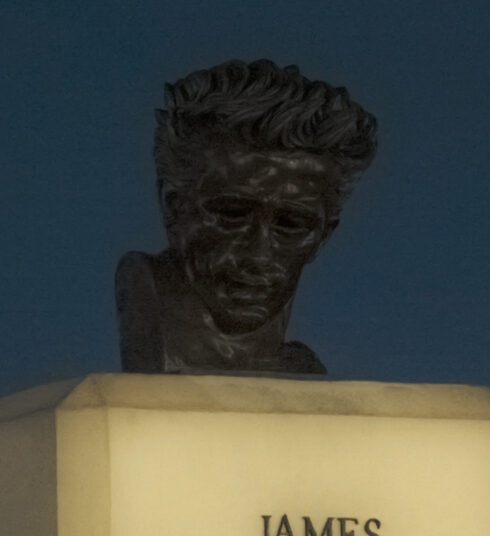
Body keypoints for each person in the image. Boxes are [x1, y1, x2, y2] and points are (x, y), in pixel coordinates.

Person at [116, 58, 377, 374]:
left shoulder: (299, 369)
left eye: (290, 225)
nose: (258, 253)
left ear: (323, 235)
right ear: (172, 207)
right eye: (232, 215)